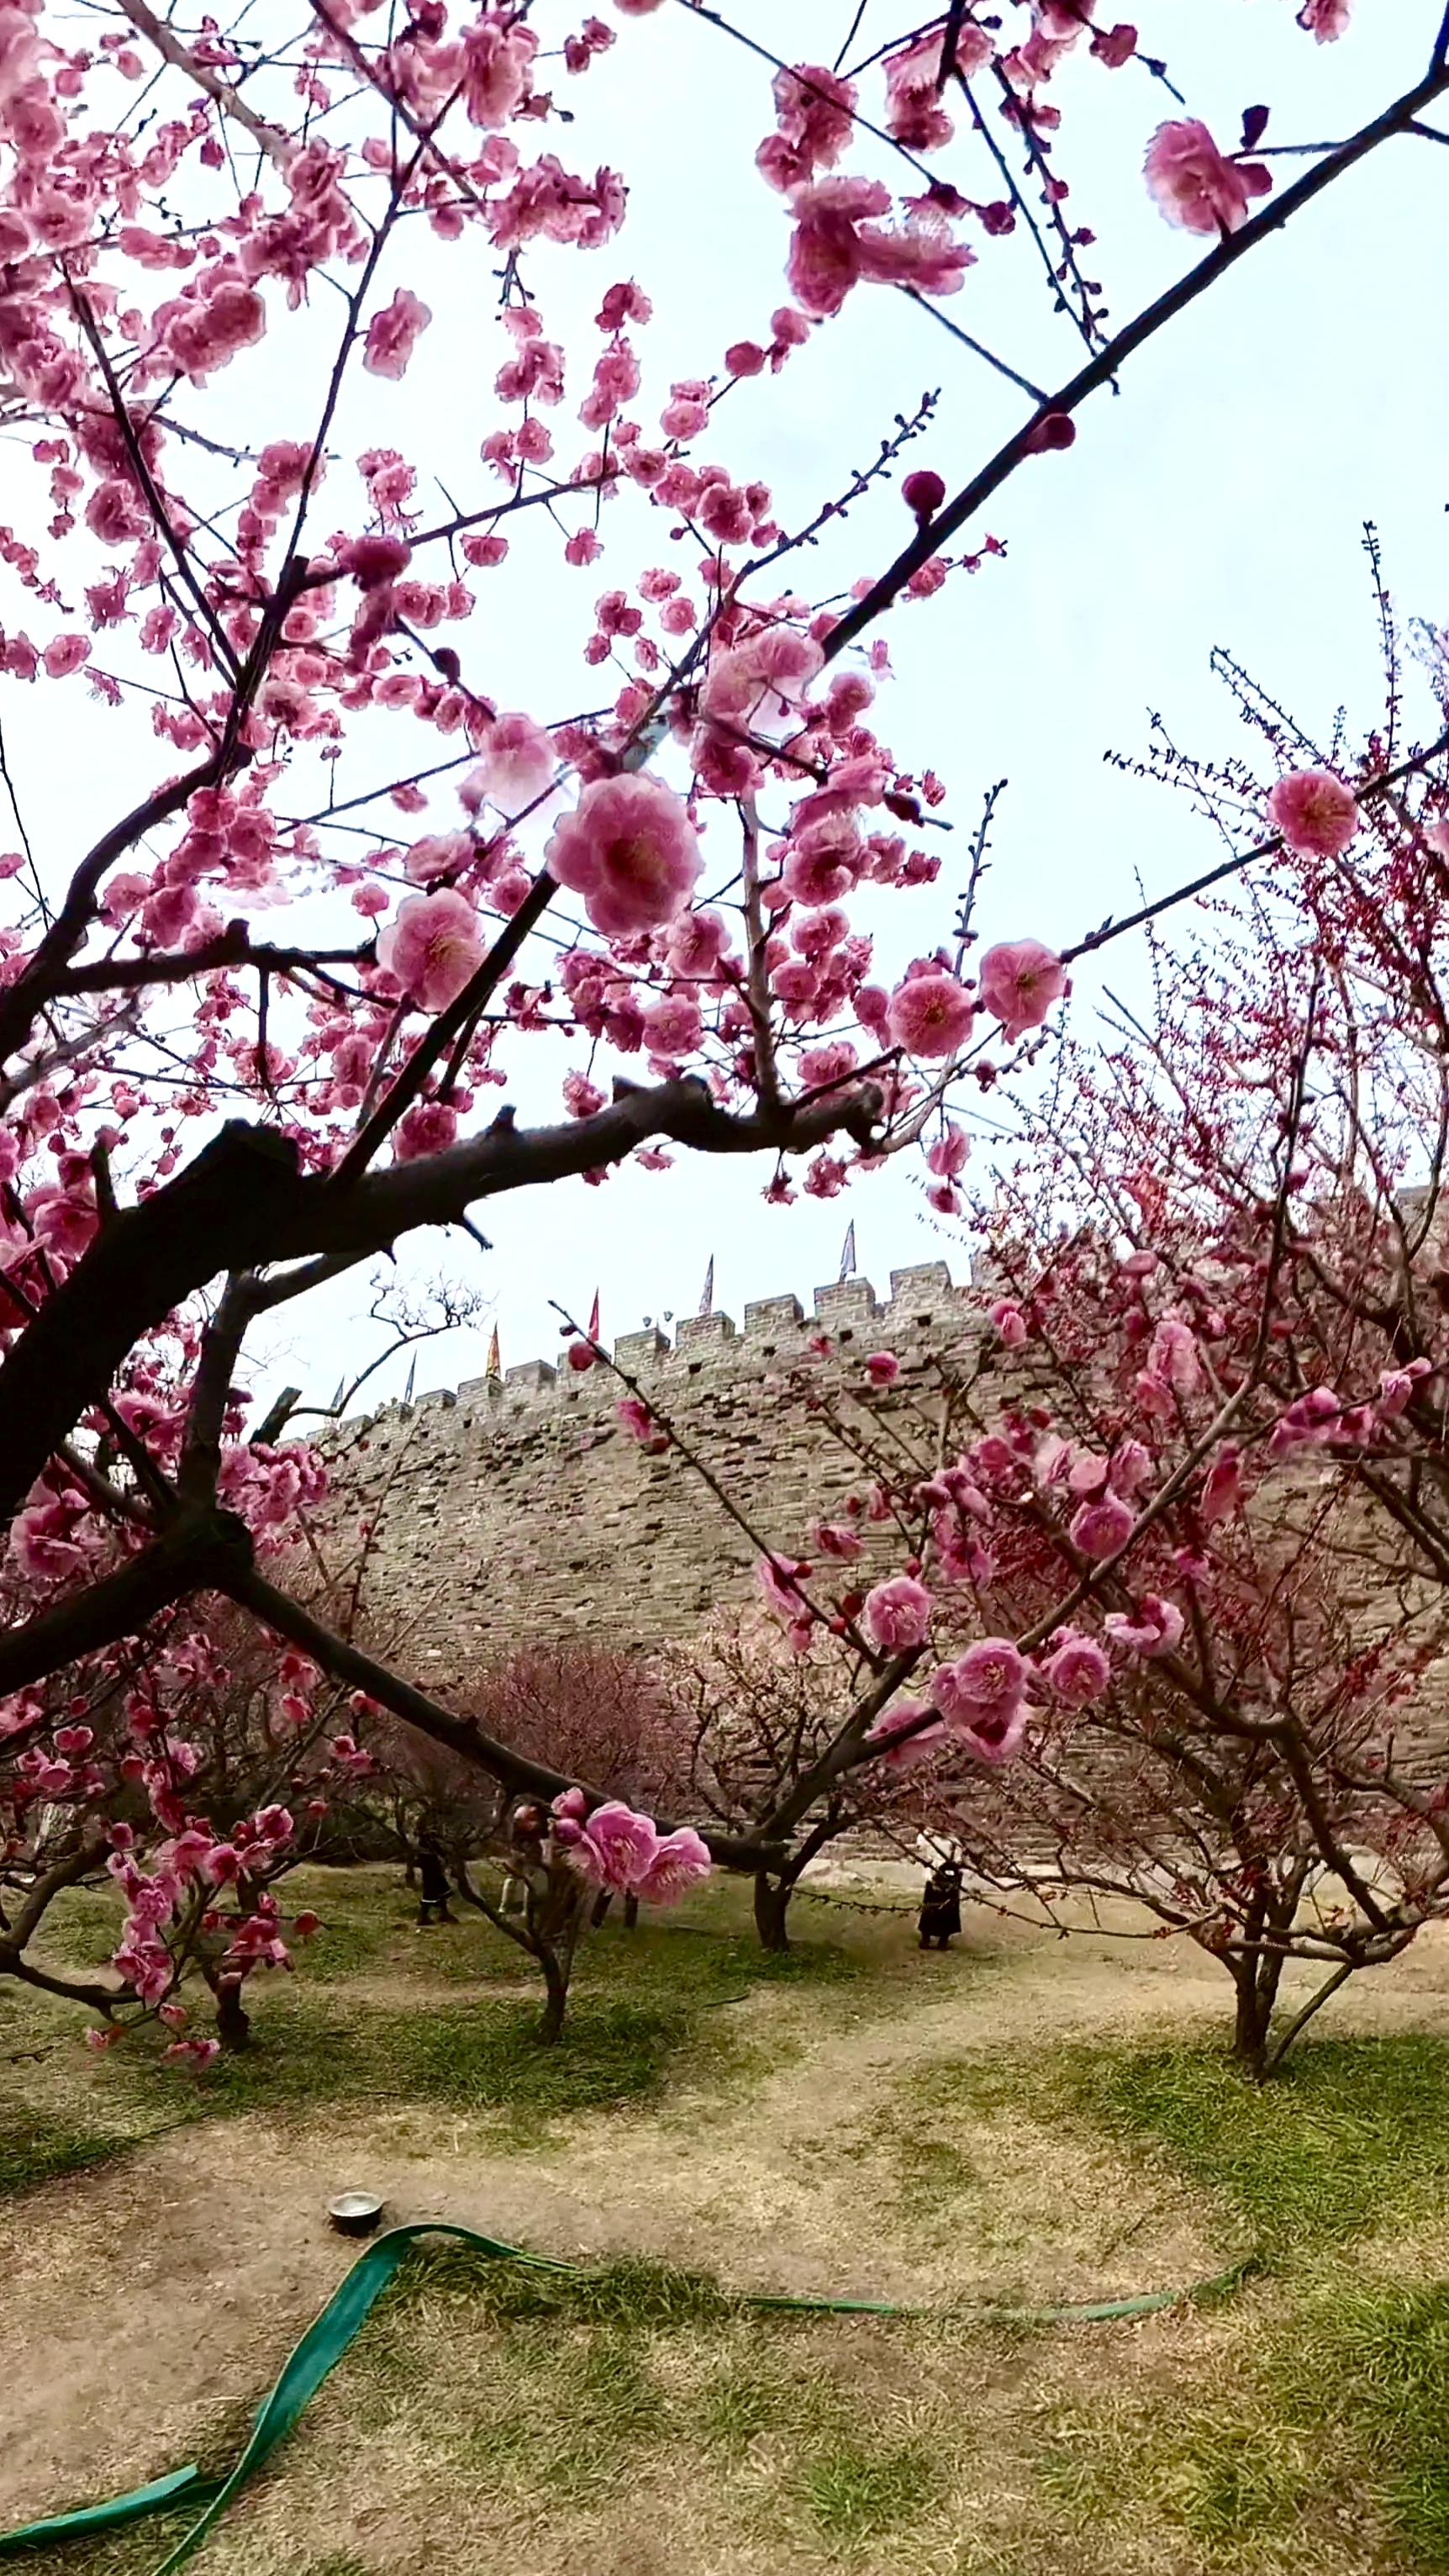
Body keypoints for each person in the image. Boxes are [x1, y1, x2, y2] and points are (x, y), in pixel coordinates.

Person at [918, 1861, 963, 1950]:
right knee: (930, 1909)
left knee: (949, 1910)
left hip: (950, 1876)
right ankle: (926, 1939)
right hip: (935, 1876)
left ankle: (943, 1940)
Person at [415, 1830, 456, 1928]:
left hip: (431, 1860)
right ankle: (423, 1917)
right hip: (428, 1860)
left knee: (441, 1888)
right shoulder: (426, 1830)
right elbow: (432, 1842)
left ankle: (444, 1914)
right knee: (431, 1890)